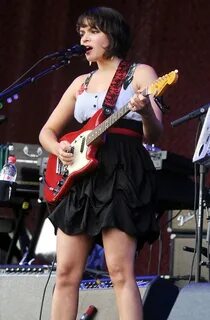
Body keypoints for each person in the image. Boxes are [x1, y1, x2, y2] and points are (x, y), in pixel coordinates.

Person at [39, 6, 163, 320]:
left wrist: (145, 110)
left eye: (92, 31)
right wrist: (61, 146)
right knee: (66, 273)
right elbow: (47, 132)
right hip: (80, 176)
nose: (84, 38)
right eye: (81, 32)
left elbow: (155, 133)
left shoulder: (140, 73)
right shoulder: (81, 81)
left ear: (112, 36)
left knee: (120, 271)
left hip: (122, 170)